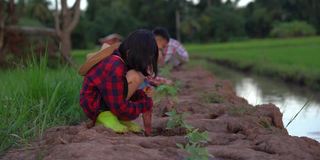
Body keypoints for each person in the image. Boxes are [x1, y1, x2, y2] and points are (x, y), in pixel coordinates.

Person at [79, 30, 158, 136]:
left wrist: (142, 96)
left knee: (138, 75)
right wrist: (144, 105)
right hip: (95, 106)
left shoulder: (120, 61)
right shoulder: (115, 65)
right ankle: (104, 115)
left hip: (105, 99)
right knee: (135, 76)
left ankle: (116, 117)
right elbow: (119, 107)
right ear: (133, 53)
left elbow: (117, 89)